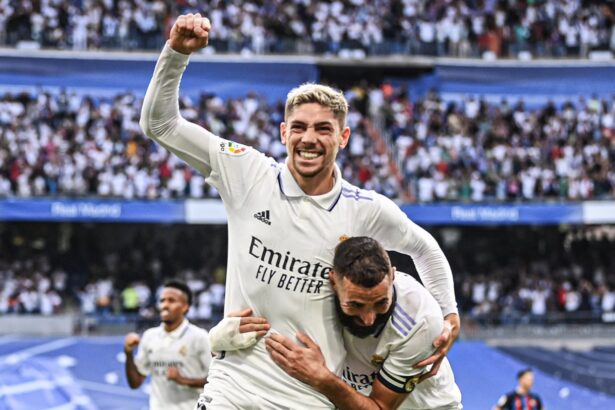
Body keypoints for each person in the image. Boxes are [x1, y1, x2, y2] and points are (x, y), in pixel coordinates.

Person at [140, 13, 459, 409]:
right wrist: (176, 54)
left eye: (324, 129)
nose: (309, 138)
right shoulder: (247, 172)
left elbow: (424, 248)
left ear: (343, 137)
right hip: (232, 387)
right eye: (299, 127)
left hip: (309, 397)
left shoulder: (366, 209)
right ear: (283, 132)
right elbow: (160, 125)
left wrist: (449, 314)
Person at [210, 236, 462, 410]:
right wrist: (218, 340)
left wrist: (323, 379)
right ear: (333, 282)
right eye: (356, 305)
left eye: (380, 303)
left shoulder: (419, 320)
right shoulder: (310, 296)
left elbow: (380, 407)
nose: (368, 319)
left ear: (393, 276)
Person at [124, 281, 211, 410]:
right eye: (162, 300)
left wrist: (183, 380)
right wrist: (128, 352)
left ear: (185, 307)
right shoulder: (149, 336)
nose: (165, 305)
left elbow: (215, 380)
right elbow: (135, 383)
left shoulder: (199, 337)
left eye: (171, 301)